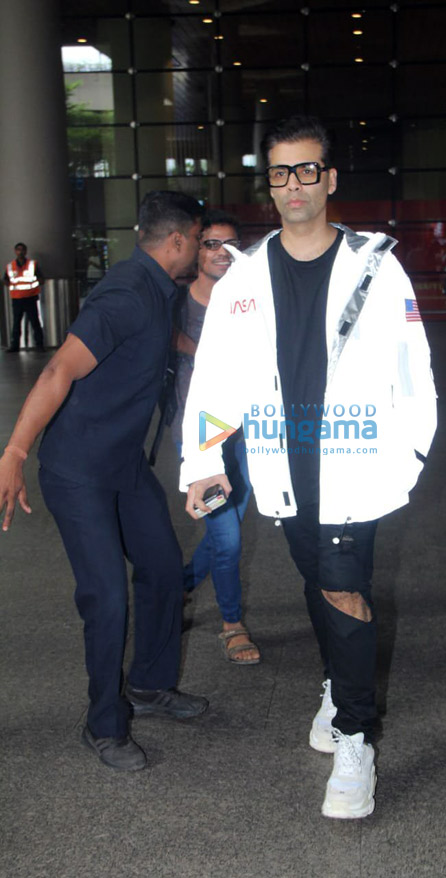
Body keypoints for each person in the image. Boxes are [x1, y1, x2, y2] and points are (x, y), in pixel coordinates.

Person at [180, 116, 437, 819]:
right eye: (279, 173)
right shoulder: (245, 276)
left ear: (328, 178)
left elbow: (413, 370)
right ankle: (335, 680)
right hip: (281, 465)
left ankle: (356, 739)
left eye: (305, 170)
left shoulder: (375, 266)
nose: (293, 184)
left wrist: (407, 454)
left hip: (356, 464)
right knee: (317, 581)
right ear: (270, 185)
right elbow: (214, 378)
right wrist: (203, 459)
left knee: (344, 588)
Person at [0, 191, 209, 772]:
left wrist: (199, 348)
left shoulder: (158, 288)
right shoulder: (125, 293)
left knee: (165, 569)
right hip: (78, 472)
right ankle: (103, 724)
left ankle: (150, 685)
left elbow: (156, 339)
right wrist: (15, 450)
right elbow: (59, 366)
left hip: (122, 466)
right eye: (196, 238)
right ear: (176, 242)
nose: (199, 246)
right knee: (107, 596)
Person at [172, 210, 259, 664]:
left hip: (247, 432)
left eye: (231, 244)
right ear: (195, 249)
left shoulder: (252, 298)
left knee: (230, 528)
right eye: (211, 244)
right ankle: (231, 623)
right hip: (200, 434)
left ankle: (181, 585)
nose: (222, 252)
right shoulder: (176, 303)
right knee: (226, 537)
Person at [3, 242, 45, 352]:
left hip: (30, 298)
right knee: (17, 323)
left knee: (35, 322)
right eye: (18, 250)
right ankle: (15, 346)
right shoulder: (10, 266)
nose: (20, 252)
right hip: (17, 298)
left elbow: (41, 279)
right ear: (15, 251)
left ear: (25, 251)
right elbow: (6, 279)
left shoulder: (32, 264)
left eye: (22, 250)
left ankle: (39, 345)